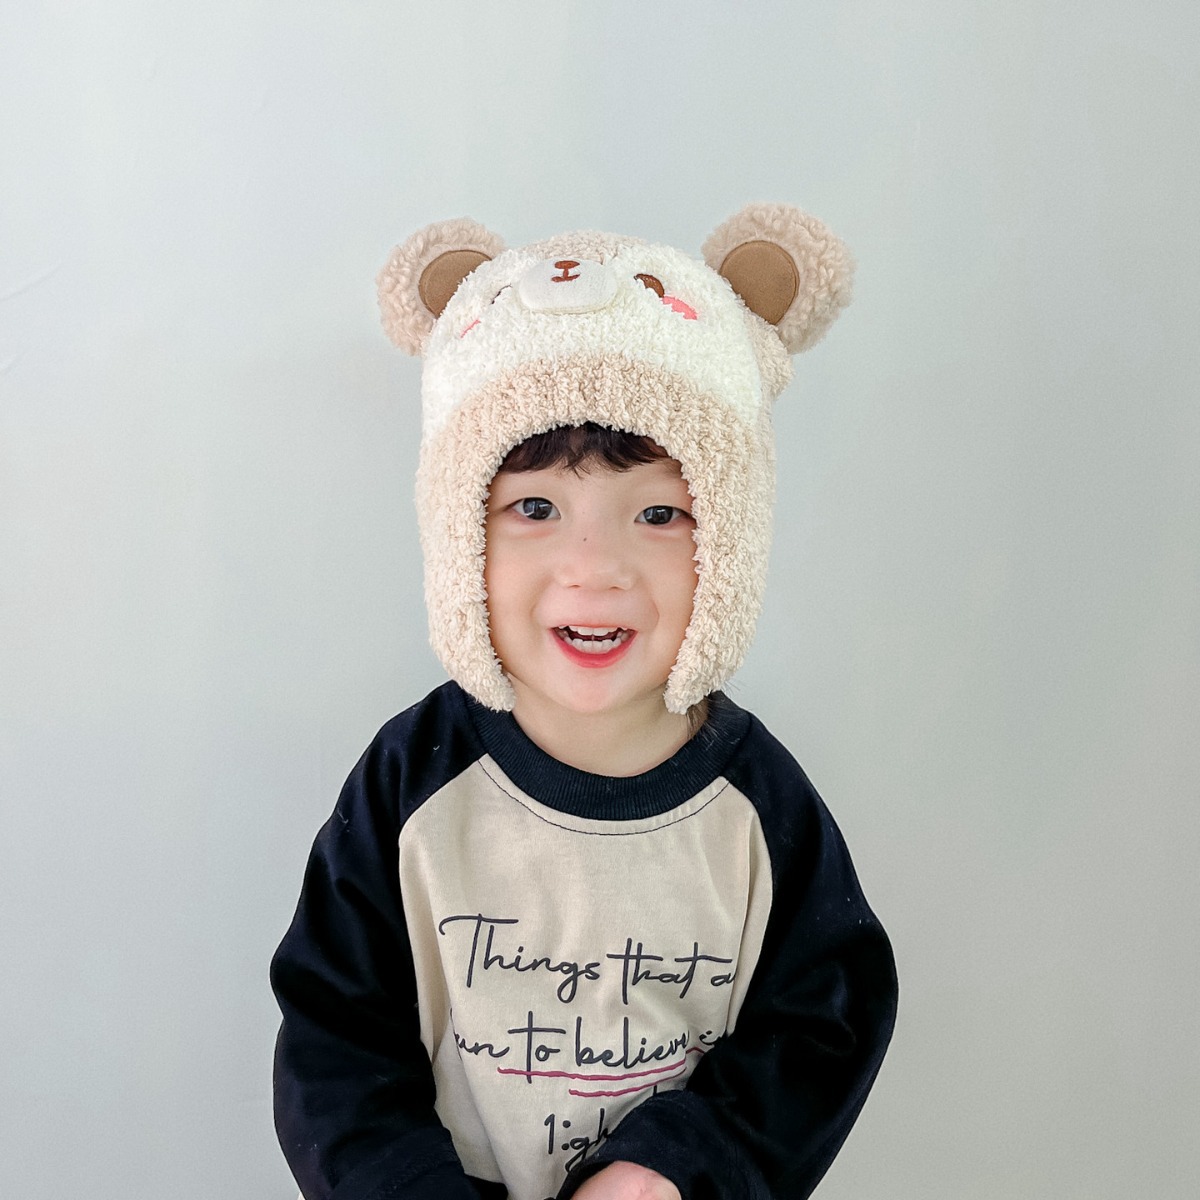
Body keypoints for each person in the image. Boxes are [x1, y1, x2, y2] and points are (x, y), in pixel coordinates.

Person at [271, 205, 898, 1200]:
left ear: (729, 537)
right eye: (534, 507)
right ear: (459, 535)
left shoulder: (755, 810)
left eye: (659, 512)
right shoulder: (413, 782)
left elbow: (822, 1023)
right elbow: (337, 1039)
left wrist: (675, 1165)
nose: (594, 567)